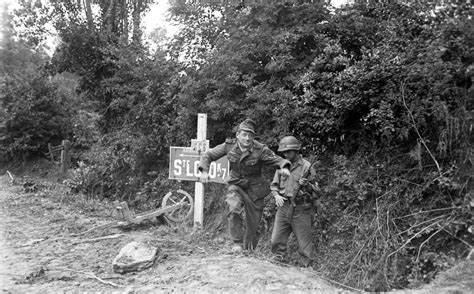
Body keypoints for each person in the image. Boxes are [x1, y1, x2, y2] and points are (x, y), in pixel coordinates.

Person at [198, 118, 291, 252]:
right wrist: (203, 171)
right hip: (236, 184)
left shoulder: (260, 150)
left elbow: (279, 160)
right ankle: (237, 243)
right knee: (233, 207)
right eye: (244, 135)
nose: (247, 139)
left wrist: (285, 167)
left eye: (250, 135)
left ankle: (248, 249)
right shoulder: (229, 146)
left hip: (255, 190)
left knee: (254, 225)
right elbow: (208, 155)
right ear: (238, 135)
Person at [270, 136, 319, 267]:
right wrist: (276, 195)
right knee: (276, 240)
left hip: (301, 208)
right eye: (284, 152)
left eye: (289, 151)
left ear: (296, 151)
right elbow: (274, 185)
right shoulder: (283, 165)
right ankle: (280, 260)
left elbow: (317, 191)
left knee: (305, 244)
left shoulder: (307, 167)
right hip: (284, 206)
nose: (286, 154)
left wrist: (307, 184)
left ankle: (307, 268)